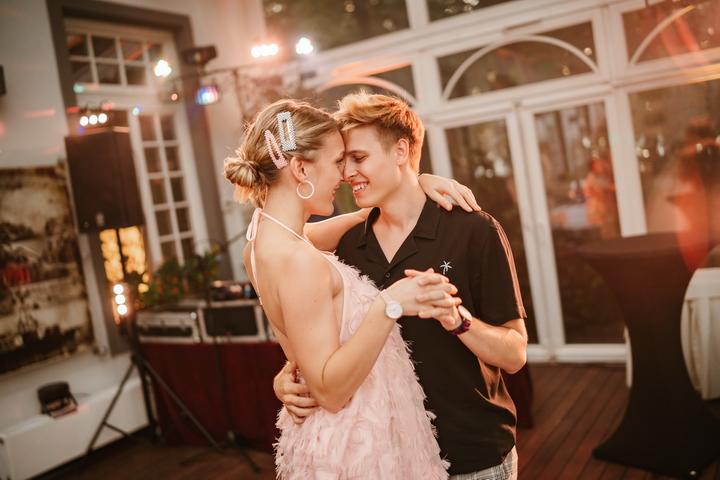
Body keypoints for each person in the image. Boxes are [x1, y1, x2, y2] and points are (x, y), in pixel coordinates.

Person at [224, 99, 482, 479]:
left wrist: (415, 181)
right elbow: (330, 392)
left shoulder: (259, 245)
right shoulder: (299, 260)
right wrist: (390, 303)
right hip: (356, 444)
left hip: (336, 434)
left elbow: (361, 217)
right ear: (301, 168)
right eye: (336, 162)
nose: (343, 175)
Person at [276, 92, 528, 480]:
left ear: (400, 150)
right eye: (342, 162)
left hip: (473, 456)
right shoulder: (349, 245)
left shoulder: (474, 230)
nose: (347, 173)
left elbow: (514, 354)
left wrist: (458, 320)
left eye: (359, 158)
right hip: (391, 460)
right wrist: (291, 374)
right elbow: (273, 246)